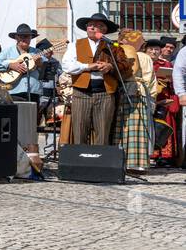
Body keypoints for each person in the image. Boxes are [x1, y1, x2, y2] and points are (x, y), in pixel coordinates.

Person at [62, 13, 132, 146]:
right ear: (86, 28)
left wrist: (110, 66)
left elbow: (125, 65)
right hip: (81, 93)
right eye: (91, 25)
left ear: (104, 30)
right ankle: (80, 163)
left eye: (99, 26)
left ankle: (100, 164)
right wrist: (87, 66)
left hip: (105, 93)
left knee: (103, 132)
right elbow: (67, 65)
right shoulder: (75, 44)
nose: (93, 28)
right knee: (80, 131)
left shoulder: (113, 46)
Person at [113, 29, 154, 174]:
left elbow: (148, 78)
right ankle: (133, 163)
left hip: (134, 92)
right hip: (131, 91)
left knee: (129, 127)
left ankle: (129, 163)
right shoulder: (119, 53)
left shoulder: (142, 57)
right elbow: (150, 80)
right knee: (130, 128)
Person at [0, 24, 43, 113]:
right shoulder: (8, 51)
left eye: (28, 36)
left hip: (34, 91)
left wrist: (40, 63)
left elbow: (45, 68)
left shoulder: (36, 52)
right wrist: (10, 65)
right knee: (16, 120)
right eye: (22, 36)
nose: (25, 39)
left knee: (32, 120)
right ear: (16, 38)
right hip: (15, 91)